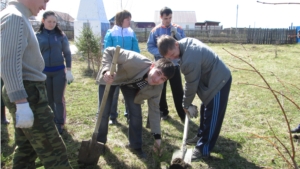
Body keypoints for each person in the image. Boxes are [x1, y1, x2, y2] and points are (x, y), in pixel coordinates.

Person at [0, 0, 73, 168]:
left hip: (27, 91)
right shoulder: (15, 17)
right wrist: (21, 102)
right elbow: (8, 63)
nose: (44, 7)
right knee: (54, 152)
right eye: (44, 0)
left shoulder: (17, 16)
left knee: (27, 148)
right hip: (27, 92)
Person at [157, 35, 232, 161]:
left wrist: (185, 104)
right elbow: (190, 80)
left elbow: (191, 84)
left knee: (212, 115)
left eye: (174, 55)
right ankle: (201, 136)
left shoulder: (190, 58)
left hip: (219, 81)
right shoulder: (184, 43)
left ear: (176, 44)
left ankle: (203, 149)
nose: (174, 59)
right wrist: (186, 103)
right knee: (205, 109)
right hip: (209, 79)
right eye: (170, 58)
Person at [95, 47, 175, 158]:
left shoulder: (157, 88)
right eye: (157, 73)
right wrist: (107, 70)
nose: (157, 79)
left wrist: (157, 138)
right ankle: (99, 143)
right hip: (113, 77)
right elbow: (109, 51)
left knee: (136, 114)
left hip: (131, 85)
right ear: (152, 66)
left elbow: (155, 110)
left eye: (163, 78)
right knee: (104, 112)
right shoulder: (134, 60)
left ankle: (136, 146)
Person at [36, 11, 74, 134]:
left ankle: (60, 122)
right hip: (44, 72)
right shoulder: (37, 36)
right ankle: (51, 121)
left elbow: (67, 53)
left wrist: (68, 70)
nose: (52, 24)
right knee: (48, 99)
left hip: (59, 72)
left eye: (54, 22)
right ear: (43, 21)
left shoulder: (61, 36)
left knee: (58, 99)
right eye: (49, 21)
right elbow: (34, 55)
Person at [147, 6, 186, 122]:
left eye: (170, 18)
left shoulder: (178, 28)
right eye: (165, 18)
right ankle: (163, 111)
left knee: (178, 90)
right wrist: (162, 53)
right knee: (161, 90)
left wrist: (176, 35)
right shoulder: (155, 31)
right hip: (161, 66)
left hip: (174, 65)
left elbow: (184, 44)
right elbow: (150, 46)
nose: (168, 20)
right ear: (161, 17)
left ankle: (182, 113)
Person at [103, 10, 140, 125]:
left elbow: (136, 50)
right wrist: (108, 68)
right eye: (127, 19)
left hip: (128, 67)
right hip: (115, 68)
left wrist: (136, 64)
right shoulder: (111, 33)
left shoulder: (131, 33)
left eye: (130, 19)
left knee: (129, 92)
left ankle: (128, 114)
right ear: (120, 20)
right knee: (114, 93)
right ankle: (112, 116)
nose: (130, 21)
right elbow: (107, 50)